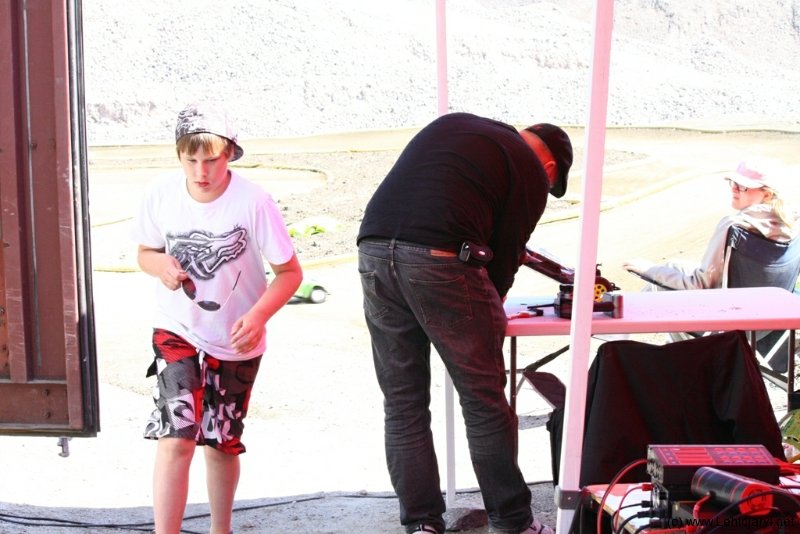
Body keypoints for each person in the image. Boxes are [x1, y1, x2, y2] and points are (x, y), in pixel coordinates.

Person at [356, 112, 573, 534]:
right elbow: (506, 257)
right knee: (483, 401)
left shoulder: (459, 126)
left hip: (374, 251)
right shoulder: (530, 169)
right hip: (441, 260)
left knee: (402, 402)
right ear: (550, 168)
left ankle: (422, 524)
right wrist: (490, 305)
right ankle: (513, 522)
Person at [130, 102, 302, 534]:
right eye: (191, 161)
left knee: (221, 442)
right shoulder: (160, 194)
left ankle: (220, 529)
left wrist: (258, 316)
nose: (201, 171)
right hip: (176, 328)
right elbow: (145, 252)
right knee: (177, 436)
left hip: (236, 337)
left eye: (210, 160)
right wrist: (161, 266)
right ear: (179, 156)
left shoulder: (255, 202)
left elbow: (290, 274)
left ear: (229, 154)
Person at [623, 160, 798, 290]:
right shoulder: (791, 223)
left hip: (730, 314)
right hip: (769, 312)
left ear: (767, 195)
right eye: (734, 183)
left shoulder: (735, 226)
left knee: (657, 285)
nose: (734, 189)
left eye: (743, 186)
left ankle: (620, 328)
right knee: (672, 265)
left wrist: (648, 270)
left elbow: (700, 285)